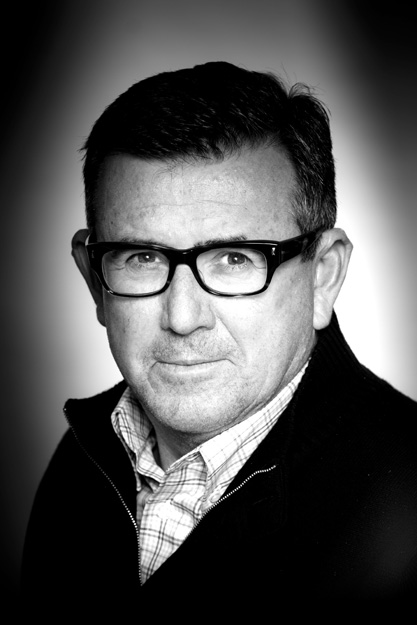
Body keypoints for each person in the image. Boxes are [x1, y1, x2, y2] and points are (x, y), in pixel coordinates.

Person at [22, 61, 417, 613]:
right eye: (142, 257)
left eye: (234, 258)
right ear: (94, 280)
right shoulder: (82, 461)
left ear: (323, 275)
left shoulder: (409, 501)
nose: (183, 318)